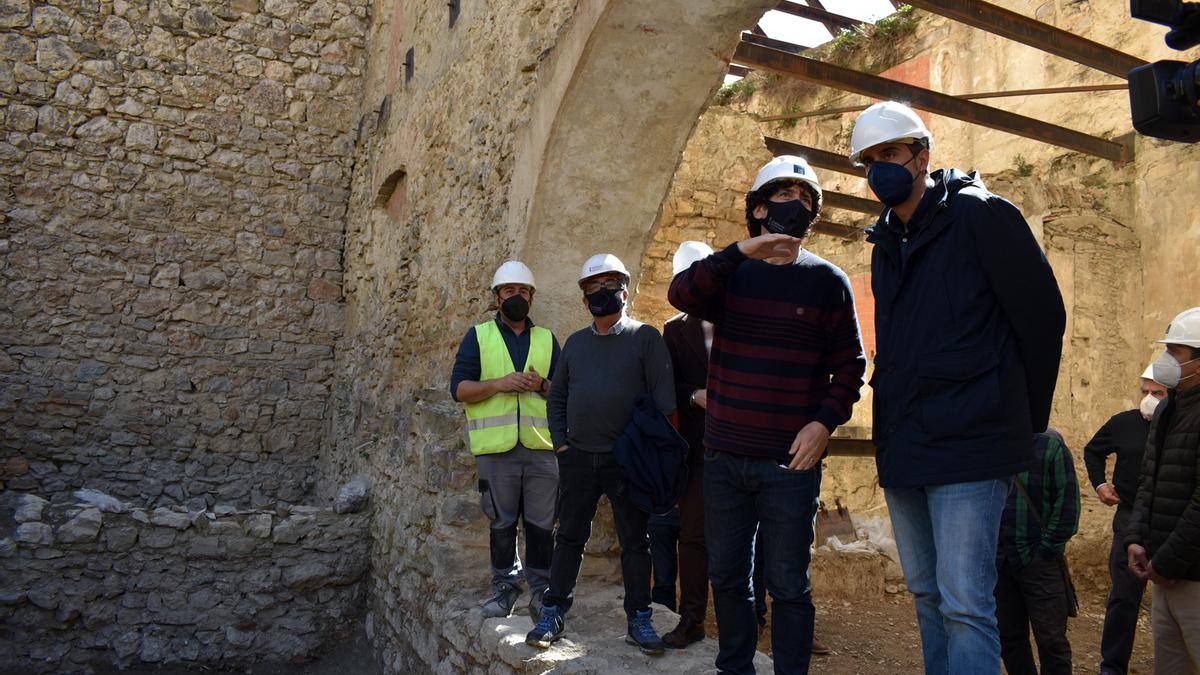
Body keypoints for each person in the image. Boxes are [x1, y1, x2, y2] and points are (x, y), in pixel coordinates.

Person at [848, 100, 1066, 674]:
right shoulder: (885, 241)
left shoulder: (982, 215)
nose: (879, 169)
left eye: (890, 154)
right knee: (926, 594)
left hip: (973, 442)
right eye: (868, 160)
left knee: (967, 604)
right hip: (906, 443)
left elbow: (1042, 318)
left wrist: (1025, 420)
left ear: (922, 156)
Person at [669, 155, 867, 674]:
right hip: (725, 457)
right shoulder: (730, 277)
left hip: (789, 465)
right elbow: (680, 292)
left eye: (806, 199)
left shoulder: (828, 281)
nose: (796, 205)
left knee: (788, 584)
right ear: (758, 210)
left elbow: (852, 364)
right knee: (730, 577)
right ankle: (736, 667)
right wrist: (741, 252)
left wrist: (824, 422)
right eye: (784, 196)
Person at [526, 253, 676, 655]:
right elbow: (556, 397)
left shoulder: (646, 339)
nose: (600, 293)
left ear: (625, 291)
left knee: (635, 542)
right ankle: (553, 612)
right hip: (578, 459)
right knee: (569, 538)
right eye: (592, 287)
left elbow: (662, 405)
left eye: (609, 285)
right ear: (583, 299)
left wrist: (638, 451)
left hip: (626, 463)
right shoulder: (575, 344)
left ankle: (639, 619)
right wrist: (561, 444)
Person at [449, 261, 561, 620]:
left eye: (524, 291)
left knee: (543, 524)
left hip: (541, 448)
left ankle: (542, 590)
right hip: (496, 451)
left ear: (531, 297)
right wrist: (499, 384)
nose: (518, 296)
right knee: (501, 522)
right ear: (497, 298)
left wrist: (542, 385)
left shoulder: (546, 339)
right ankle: (504, 588)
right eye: (509, 291)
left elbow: (564, 393)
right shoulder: (478, 336)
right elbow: (460, 389)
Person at [1125, 307, 1200, 675]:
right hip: (1161, 570)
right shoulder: (1169, 407)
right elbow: (1148, 480)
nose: (1166, 359)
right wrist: (1137, 538)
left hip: (1192, 576)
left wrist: (1167, 561)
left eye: (1176, 352)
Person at [1083, 364, 1168, 675]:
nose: (1149, 399)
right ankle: (1112, 667)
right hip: (1130, 516)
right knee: (1123, 597)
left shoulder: (1181, 426)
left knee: (1176, 600)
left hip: (1173, 519)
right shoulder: (1124, 424)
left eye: (1157, 393)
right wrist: (1100, 484)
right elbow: (1093, 451)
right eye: (1144, 392)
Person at [993, 430, 1081, 675]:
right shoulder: (989, 442)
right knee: (1009, 638)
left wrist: (1046, 549)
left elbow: (1068, 505)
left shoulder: (1050, 446)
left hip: (1039, 562)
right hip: (1000, 560)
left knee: (1051, 640)